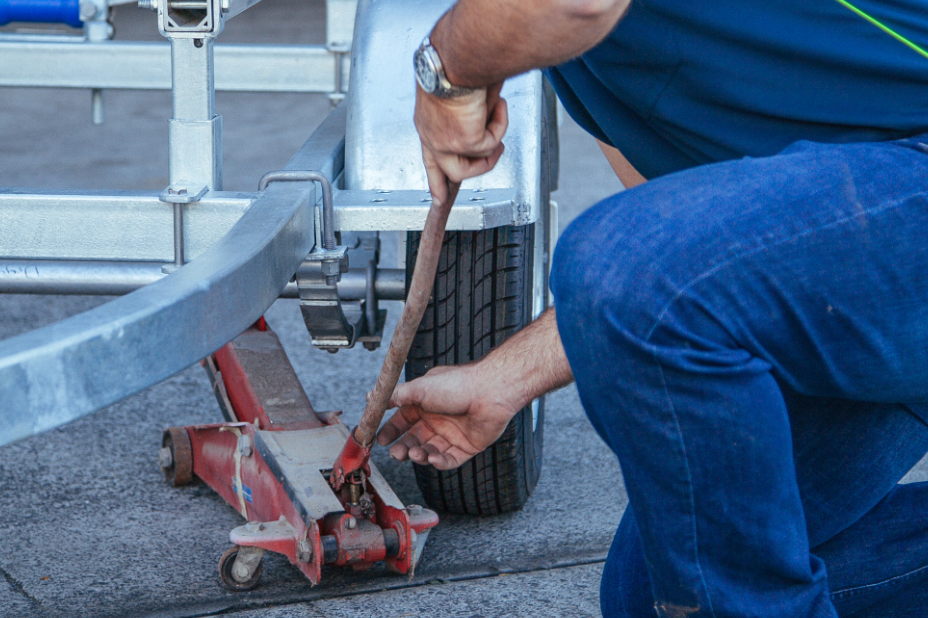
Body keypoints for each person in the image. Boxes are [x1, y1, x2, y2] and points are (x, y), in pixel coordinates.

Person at [375, 0, 928, 615]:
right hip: (871, 278)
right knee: (660, 591)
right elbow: (689, 275)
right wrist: (504, 379)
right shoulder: (591, 64)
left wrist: (445, 71)